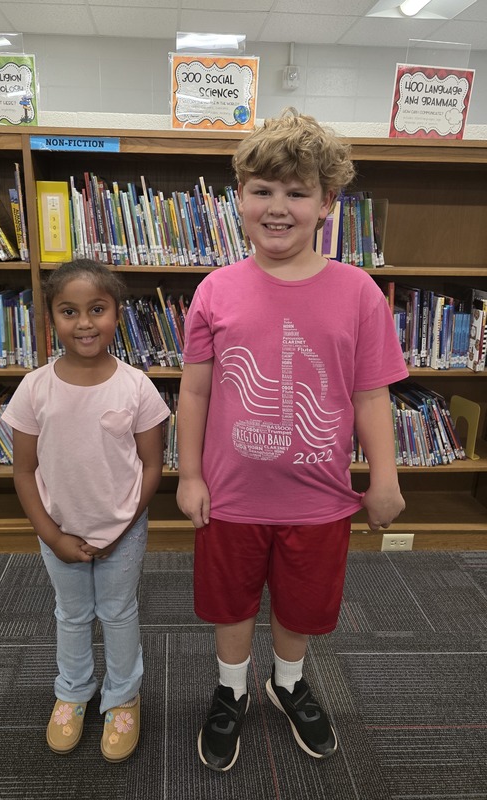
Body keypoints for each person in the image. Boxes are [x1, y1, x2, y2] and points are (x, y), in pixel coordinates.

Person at [176, 108, 408, 772]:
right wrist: (189, 476)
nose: (277, 207)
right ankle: (230, 691)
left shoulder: (359, 293)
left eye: (297, 192)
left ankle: (287, 681)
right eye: (262, 190)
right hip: (231, 496)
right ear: (239, 198)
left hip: (319, 499)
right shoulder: (215, 291)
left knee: (301, 604)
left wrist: (385, 477)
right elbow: (194, 392)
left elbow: (371, 394)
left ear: (327, 203)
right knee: (230, 602)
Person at [2, 259, 170, 761]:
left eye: (97, 309)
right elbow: (23, 471)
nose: (84, 323)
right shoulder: (35, 387)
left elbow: (152, 468)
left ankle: (123, 697)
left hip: (123, 531)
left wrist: (121, 528)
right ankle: (73, 691)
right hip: (59, 529)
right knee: (72, 615)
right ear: (51, 317)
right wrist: (52, 535)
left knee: (117, 612)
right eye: (68, 311)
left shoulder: (136, 386)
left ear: (117, 314)